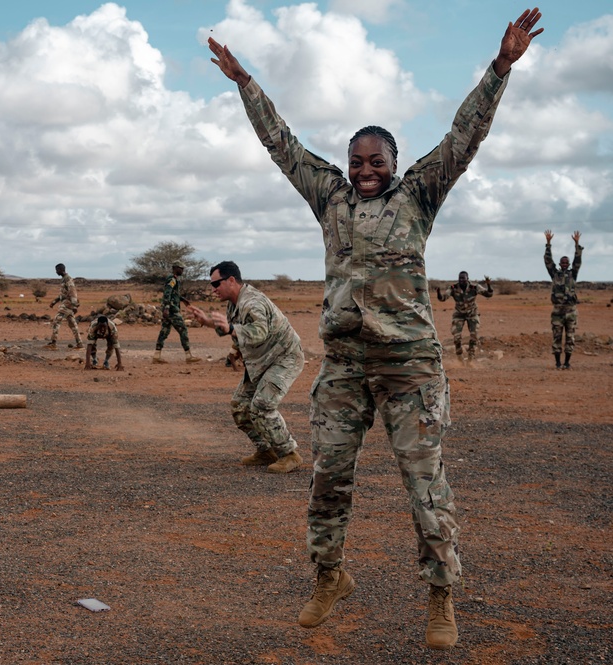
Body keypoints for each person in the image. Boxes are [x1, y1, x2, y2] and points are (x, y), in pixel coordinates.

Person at [209, 7, 543, 650]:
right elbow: (283, 145)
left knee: (424, 483)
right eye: (357, 160)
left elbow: (461, 139)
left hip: (409, 363)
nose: (365, 170)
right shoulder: (328, 197)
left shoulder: (417, 194)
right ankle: (330, 576)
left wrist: (500, 68)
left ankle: (441, 594)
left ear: (394, 162)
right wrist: (246, 83)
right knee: (328, 474)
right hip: (345, 365)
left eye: (377, 160)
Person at [188, 261, 304, 473]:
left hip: (283, 358)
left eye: (216, 284)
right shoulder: (234, 303)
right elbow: (234, 329)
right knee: (240, 406)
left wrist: (230, 327)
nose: (213, 290)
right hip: (262, 361)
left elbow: (259, 331)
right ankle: (265, 451)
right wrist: (207, 322)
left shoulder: (252, 302)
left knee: (262, 405)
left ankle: (289, 454)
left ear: (231, 280)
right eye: (211, 285)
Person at [545, 230, 582, 369]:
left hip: (571, 311)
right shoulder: (555, 273)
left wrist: (577, 244)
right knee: (557, 337)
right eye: (563, 262)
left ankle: (567, 362)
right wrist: (548, 244)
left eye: (567, 262)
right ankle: (557, 362)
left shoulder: (573, 274)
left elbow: (578, 260)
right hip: (557, 311)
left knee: (570, 337)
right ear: (560, 264)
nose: (565, 264)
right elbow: (548, 261)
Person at [436, 272, 493, 362]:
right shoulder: (453, 288)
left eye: (463, 278)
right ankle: (460, 358)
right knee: (457, 337)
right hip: (459, 314)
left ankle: (471, 358)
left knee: (474, 337)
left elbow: (489, 294)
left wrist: (489, 285)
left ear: (467, 278)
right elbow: (443, 298)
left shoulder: (474, 287)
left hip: (472, 314)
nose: (461, 280)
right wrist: (438, 293)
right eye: (460, 278)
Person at [153, 261, 200, 364]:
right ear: (175, 268)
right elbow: (167, 293)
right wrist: (167, 307)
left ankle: (157, 355)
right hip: (172, 310)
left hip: (170, 309)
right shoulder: (172, 279)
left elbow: (174, 293)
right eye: (181, 268)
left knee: (164, 331)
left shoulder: (175, 279)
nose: (182, 270)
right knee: (183, 330)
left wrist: (183, 299)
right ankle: (188, 356)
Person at [45, 263, 83, 349]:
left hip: (67, 305)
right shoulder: (64, 279)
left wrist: (75, 306)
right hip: (67, 305)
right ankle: (79, 344)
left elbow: (73, 293)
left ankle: (53, 343)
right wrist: (54, 302)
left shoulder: (68, 279)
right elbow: (63, 294)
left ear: (61, 270)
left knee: (56, 322)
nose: (56, 272)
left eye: (57, 270)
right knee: (73, 325)